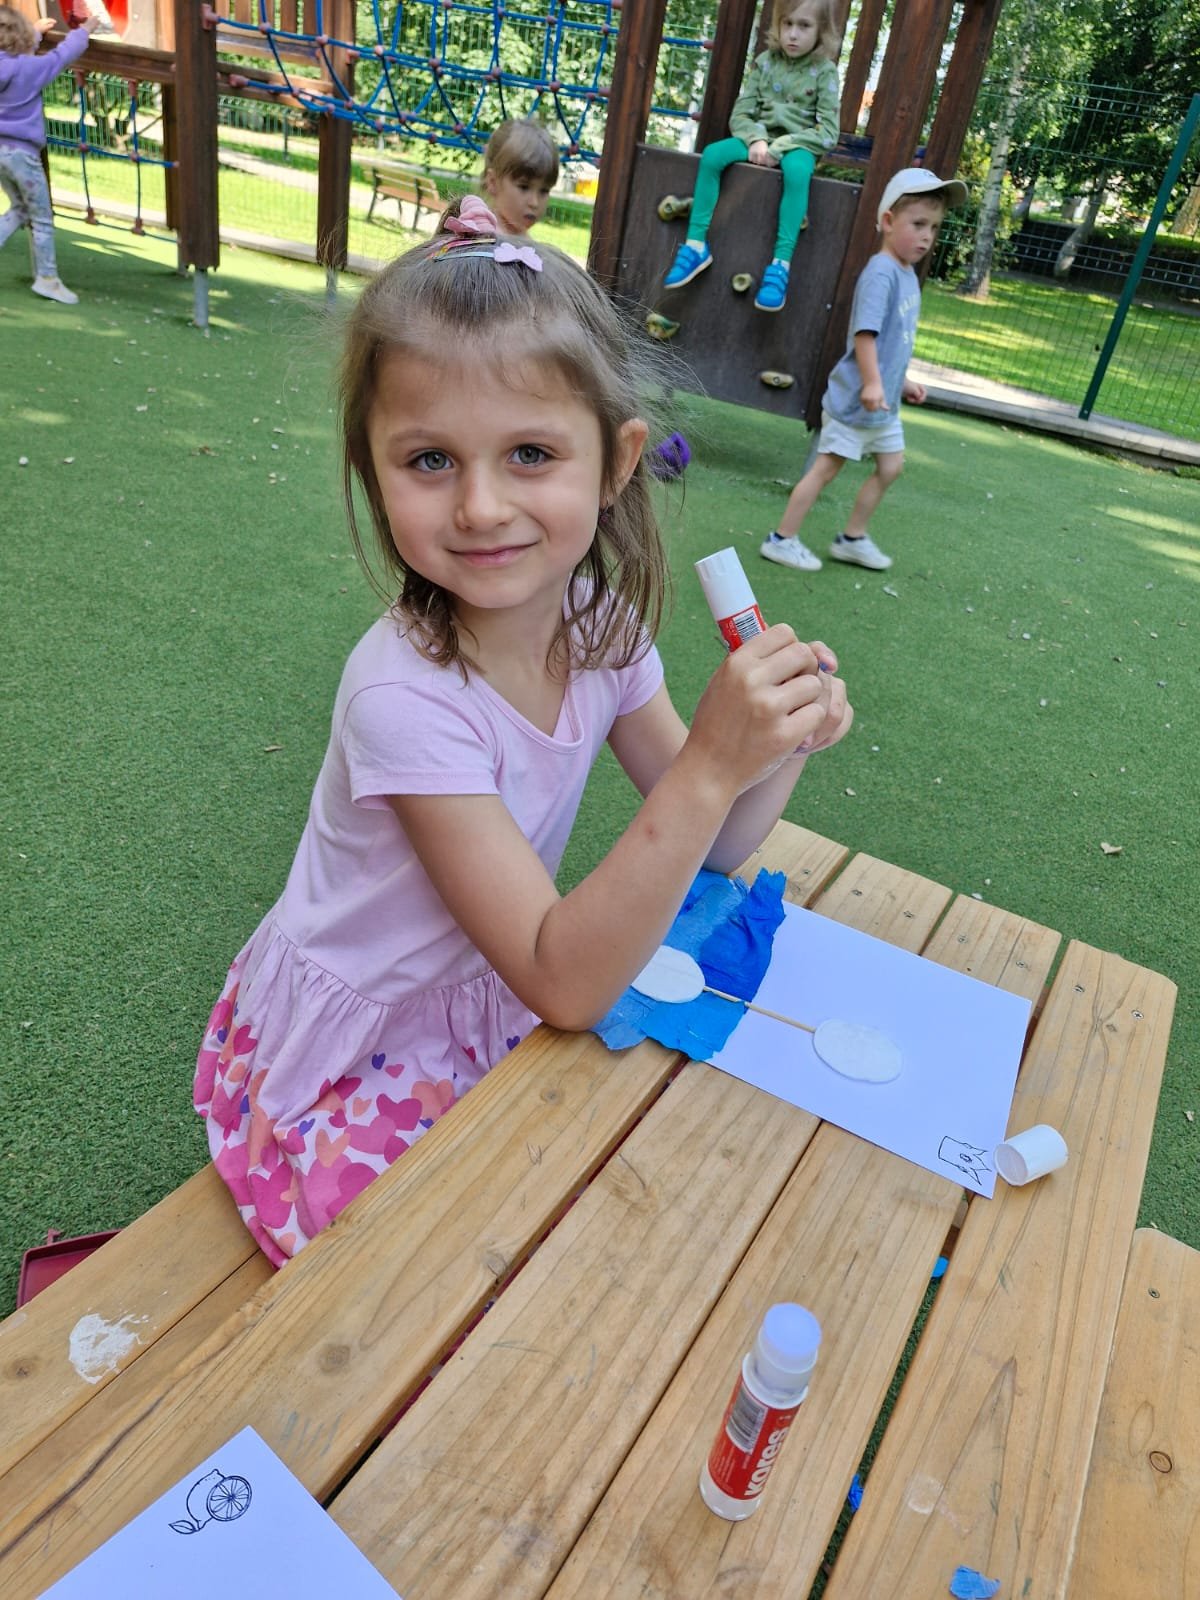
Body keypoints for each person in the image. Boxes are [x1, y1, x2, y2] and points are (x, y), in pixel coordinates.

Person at [194, 196, 853, 1266]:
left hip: (496, 989)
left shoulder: (600, 625)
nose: (481, 507)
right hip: (362, 1044)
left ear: (618, 459)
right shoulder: (402, 699)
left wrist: (779, 743)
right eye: (430, 461)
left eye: (532, 453)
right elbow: (565, 981)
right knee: (447, 1272)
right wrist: (708, 767)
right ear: (372, 470)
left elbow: (720, 841)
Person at [761, 166, 967, 573]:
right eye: (918, 224)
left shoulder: (907, 274)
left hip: (882, 405)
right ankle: (781, 539)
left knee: (891, 467)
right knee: (826, 469)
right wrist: (872, 382)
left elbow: (893, 342)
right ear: (888, 222)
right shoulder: (881, 273)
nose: (927, 236)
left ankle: (852, 538)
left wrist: (900, 381)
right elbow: (865, 335)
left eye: (934, 227)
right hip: (855, 403)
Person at [661, 0, 840, 313]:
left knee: (798, 172)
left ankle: (780, 266)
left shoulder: (825, 73)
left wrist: (780, 147)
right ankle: (696, 245)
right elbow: (741, 113)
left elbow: (828, 132)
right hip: (757, 140)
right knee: (713, 155)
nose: (793, 34)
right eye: (787, 24)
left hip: (796, 145)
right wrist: (756, 138)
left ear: (821, 31)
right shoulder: (765, 62)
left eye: (804, 26)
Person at [0, 4, 100, 305]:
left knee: (21, 208)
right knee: (42, 218)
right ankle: (47, 279)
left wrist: (34, 33)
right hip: (22, 156)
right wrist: (84, 31)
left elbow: (15, 56)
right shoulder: (30, 70)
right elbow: (62, 56)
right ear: (21, 39)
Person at [481, 117, 559, 236]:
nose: (534, 203)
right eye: (524, 187)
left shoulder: (519, 238)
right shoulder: (486, 238)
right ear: (493, 182)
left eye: (544, 191)